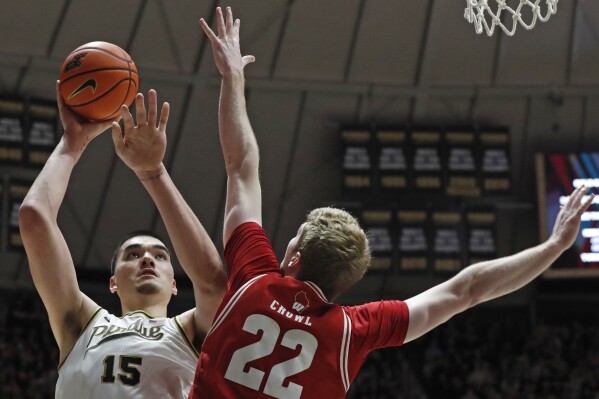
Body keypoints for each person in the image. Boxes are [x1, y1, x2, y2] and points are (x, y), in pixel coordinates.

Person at [188, 6, 595, 399]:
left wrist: (233, 78)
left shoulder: (257, 278)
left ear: (293, 257)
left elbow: (241, 166)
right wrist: (554, 246)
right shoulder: (354, 328)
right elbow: (467, 290)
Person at [19, 83, 226, 398]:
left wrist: (153, 172)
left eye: (160, 256)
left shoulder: (193, 333)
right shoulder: (80, 324)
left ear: (175, 284)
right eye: (133, 255)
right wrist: (71, 143)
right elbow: (34, 217)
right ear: (113, 282)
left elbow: (213, 282)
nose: (146, 258)